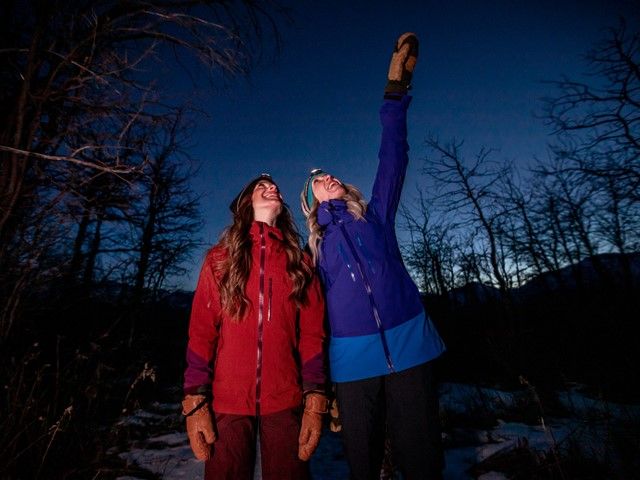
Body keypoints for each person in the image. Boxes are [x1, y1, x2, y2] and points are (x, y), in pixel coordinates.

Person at [300, 33, 446, 480]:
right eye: (319, 180)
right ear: (309, 202)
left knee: (419, 458)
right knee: (362, 464)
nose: (330, 177)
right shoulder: (314, 249)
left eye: (332, 174)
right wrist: (321, 384)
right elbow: (310, 317)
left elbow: (392, 156)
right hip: (351, 360)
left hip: (409, 344)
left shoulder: (375, 216)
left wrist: (394, 94)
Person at [183, 174, 328, 480]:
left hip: (285, 398)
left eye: (274, 186)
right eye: (261, 187)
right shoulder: (219, 259)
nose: (272, 187)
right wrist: (195, 398)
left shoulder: (299, 263)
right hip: (228, 399)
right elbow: (201, 331)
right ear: (247, 203)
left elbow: (313, 336)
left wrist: (315, 394)